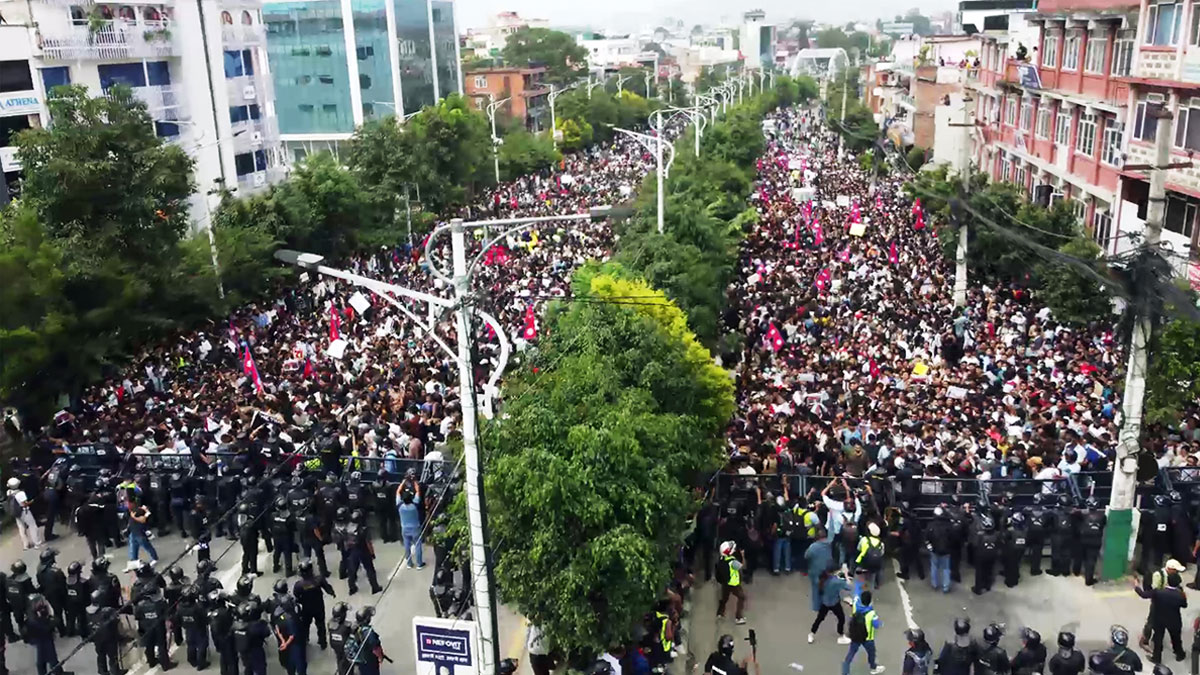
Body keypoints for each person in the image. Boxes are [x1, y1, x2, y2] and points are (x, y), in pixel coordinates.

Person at [1135, 572, 1188, 664]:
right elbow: (1184, 605)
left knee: (1158, 639)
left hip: (1159, 619)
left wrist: (1136, 586)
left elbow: (1143, 595)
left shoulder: (1158, 592)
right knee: (1176, 638)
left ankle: (1157, 658)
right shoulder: (1180, 594)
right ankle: (1180, 654)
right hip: (1174, 620)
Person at [842, 590, 885, 675]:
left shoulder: (855, 604)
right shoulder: (871, 613)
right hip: (868, 638)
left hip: (856, 635)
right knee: (871, 653)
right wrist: (880, 623)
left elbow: (853, 600)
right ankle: (873, 668)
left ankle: (845, 672)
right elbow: (876, 625)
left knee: (851, 653)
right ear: (870, 601)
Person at [809, 570, 851, 645]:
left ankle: (811, 634)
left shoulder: (821, 580)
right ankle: (841, 634)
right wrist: (846, 576)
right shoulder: (836, 582)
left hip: (825, 603)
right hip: (834, 603)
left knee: (819, 619)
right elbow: (848, 587)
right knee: (841, 618)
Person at [85, 589, 122, 675]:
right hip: (109, 637)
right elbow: (116, 621)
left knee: (101, 655)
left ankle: (102, 671)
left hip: (96, 637)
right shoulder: (108, 611)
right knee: (113, 656)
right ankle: (115, 671)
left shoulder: (88, 610)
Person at [715, 541, 747, 624]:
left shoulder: (722, 560)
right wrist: (742, 555)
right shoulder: (733, 562)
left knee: (724, 598)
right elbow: (742, 566)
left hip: (725, 583)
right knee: (742, 597)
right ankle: (738, 617)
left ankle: (720, 613)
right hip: (734, 584)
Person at [8, 477, 42, 550]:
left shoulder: (9, 492)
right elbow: (25, 504)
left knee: (21, 528)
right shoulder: (21, 493)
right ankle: (37, 543)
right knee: (32, 526)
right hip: (24, 512)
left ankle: (26, 545)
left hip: (16, 513)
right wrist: (32, 501)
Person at [924, 507, 953, 593]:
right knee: (946, 569)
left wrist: (930, 548)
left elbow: (926, 538)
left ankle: (934, 584)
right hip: (946, 551)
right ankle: (946, 587)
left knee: (934, 567)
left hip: (934, 550)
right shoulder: (948, 525)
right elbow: (952, 538)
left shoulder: (930, 525)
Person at [397, 482, 424, 569]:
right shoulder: (415, 505)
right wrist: (415, 482)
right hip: (415, 528)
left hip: (405, 529)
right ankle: (419, 563)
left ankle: (409, 563)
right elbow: (418, 491)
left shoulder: (400, 506)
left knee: (407, 545)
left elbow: (397, 492)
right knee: (418, 545)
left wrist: (403, 482)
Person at [125, 504, 159, 570]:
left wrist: (134, 516)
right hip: (133, 533)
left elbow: (143, 519)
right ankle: (133, 562)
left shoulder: (144, 515)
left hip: (139, 534)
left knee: (147, 547)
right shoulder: (138, 512)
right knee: (133, 549)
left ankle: (154, 558)